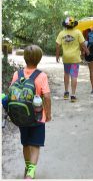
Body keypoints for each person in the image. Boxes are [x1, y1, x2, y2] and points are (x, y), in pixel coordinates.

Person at [10, 45, 51, 179]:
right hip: (38, 117)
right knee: (35, 144)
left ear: (25, 58)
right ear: (39, 59)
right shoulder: (42, 76)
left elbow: (11, 93)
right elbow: (47, 96)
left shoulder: (17, 74)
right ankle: (31, 172)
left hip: (21, 116)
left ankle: (27, 167)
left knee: (26, 143)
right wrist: (48, 114)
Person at [56, 16, 89, 102]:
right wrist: (87, 51)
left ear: (65, 25)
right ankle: (73, 95)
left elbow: (58, 46)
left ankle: (66, 92)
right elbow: (82, 44)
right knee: (74, 76)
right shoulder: (78, 32)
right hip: (75, 58)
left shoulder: (61, 33)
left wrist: (57, 56)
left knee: (66, 74)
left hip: (66, 58)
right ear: (74, 25)